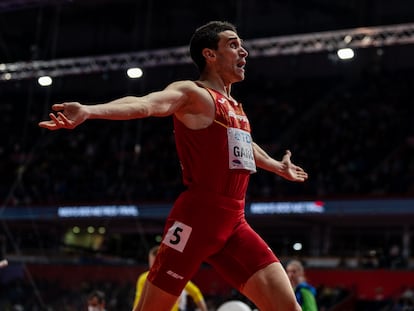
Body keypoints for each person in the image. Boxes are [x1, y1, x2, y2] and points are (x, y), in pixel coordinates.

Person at [39, 20, 308, 311]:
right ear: (209, 54)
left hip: (235, 223)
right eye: (233, 44)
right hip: (195, 220)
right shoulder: (193, 93)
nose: (243, 52)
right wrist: (90, 111)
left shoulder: (234, 107)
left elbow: (243, 143)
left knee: (287, 307)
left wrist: (275, 166)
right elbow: (146, 104)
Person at [133, 245, 208, 311]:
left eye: (151, 261)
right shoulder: (174, 276)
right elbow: (196, 293)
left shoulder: (145, 278)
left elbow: (138, 302)